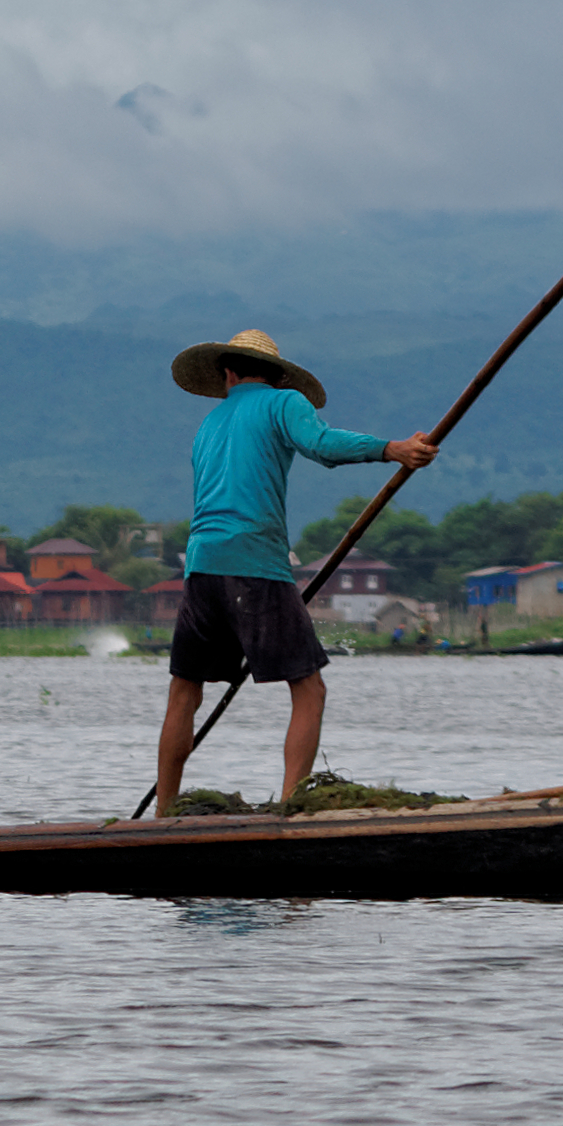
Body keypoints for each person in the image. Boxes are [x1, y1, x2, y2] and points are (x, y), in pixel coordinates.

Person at [150, 329, 437, 812]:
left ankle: (164, 812)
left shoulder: (209, 423)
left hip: (201, 566)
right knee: (309, 688)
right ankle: (289, 809)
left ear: (227, 373)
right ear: (279, 377)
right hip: (254, 563)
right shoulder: (284, 403)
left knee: (184, 692)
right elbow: (321, 444)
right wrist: (392, 449)